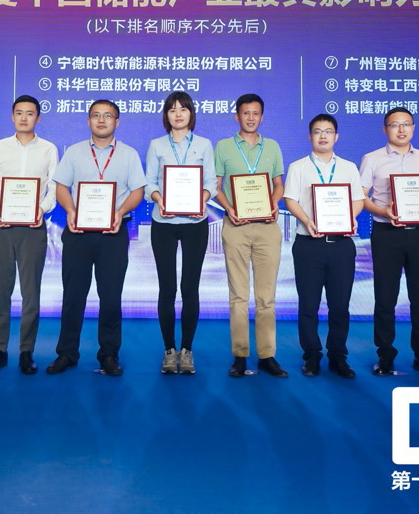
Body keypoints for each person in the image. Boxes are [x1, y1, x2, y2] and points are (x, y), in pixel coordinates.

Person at [45, 100, 145, 376]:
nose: (101, 120)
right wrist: (70, 210)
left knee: (111, 296)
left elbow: (137, 191)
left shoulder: (128, 154)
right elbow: (61, 187)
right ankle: (66, 353)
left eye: (107, 116)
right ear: (88, 120)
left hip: (113, 232)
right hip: (79, 232)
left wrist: (120, 212)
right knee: (73, 295)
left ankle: (109, 354)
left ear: (117, 121)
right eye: (96, 116)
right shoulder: (74, 152)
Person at [359, 107, 419, 378]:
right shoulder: (372, 159)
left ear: (413, 128)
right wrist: (383, 211)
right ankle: (385, 356)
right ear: (385, 129)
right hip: (387, 233)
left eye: (406, 124)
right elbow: (361, 198)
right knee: (385, 298)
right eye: (394, 125)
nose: (401, 129)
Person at [0, 95, 57, 375]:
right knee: (0, 290)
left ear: (38, 118)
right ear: (12, 117)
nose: (24, 118)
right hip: (3, 225)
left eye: (30, 113)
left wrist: (42, 209)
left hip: (33, 227)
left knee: (30, 292)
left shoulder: (49, 149)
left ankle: (26, 351)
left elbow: (54, 188)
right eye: (19, 113)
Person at [283, 114, 364, 378]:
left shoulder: (349, 167)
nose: (323, 136)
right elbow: (290, 200)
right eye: (317, 131)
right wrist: (307, 221)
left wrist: (351, 217)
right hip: (309, 244)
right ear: (310, 136)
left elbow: (358, 199)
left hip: (341, 245)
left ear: (336, 136)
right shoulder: (298, 167)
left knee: (340, 305)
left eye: (328, 131)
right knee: (308, 304)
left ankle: (338, 356)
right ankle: (312, 355)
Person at [214, 94, 286, 378]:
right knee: (238, 296)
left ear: (262, 117)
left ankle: (267, 355)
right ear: (237, 116)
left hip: (267, 227)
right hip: (236, 226)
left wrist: (274, 203)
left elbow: (278, 184)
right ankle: (240, 355)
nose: (251, 118)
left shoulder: (273, 146)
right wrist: (229, 208)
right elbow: (216, 186)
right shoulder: (223, 147)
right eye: (246, 113)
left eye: (256, 113)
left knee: (267, 297)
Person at [144, 91, 215, 375]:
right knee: (167, 288)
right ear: (166, 115)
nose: (178, 114)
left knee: (190, 288)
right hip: (163, 222)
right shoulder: (156, 145)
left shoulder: (204, 145)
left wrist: (202, 199)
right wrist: (159, 199)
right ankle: (168, 350)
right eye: (172, 109)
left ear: (190, 114)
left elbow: (210, 181)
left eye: (183, 109)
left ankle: (186, 350)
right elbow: (150, 182)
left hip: (195, 223)